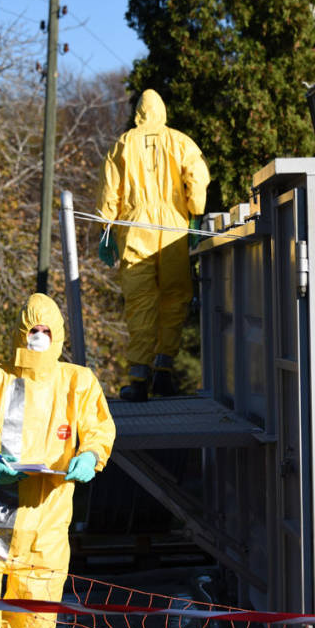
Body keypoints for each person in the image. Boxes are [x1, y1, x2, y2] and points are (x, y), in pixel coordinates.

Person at [0, 293, 115, 628]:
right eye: (33, 329)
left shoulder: (77, 382)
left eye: (46, 330)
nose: (39, 336)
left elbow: (99, 430)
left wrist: (91, 457)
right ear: (20, 331)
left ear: (58, 334)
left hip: (45, 532)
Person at [96, 88, 210, 401]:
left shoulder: (124, 143)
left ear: (138, 112)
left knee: (139, 303)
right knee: (175, 298)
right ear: (162, 111)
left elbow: (110, 190)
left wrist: (106, 228)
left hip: (134, 229)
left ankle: (137, 378)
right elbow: (197, 178)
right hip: (173, 229)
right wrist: (195, 214)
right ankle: (163, 370)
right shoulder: (181, 141)